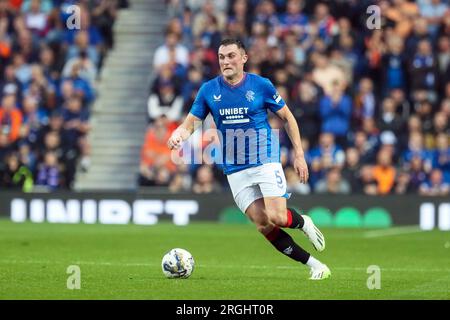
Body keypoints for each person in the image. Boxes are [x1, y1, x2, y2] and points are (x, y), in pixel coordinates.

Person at [167, 39, 330, 280]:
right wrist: (178, 134)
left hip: (265, 159)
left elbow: (288, 117)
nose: (226, 61)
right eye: (221, 57)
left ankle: (302, 222)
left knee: (276, 216)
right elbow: (191, 123)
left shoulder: (261, 85)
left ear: (243, 58)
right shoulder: (209, 90)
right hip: (234, 168)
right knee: (263, 224)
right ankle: (316, 265)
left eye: (231, 56)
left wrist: (299, 154)